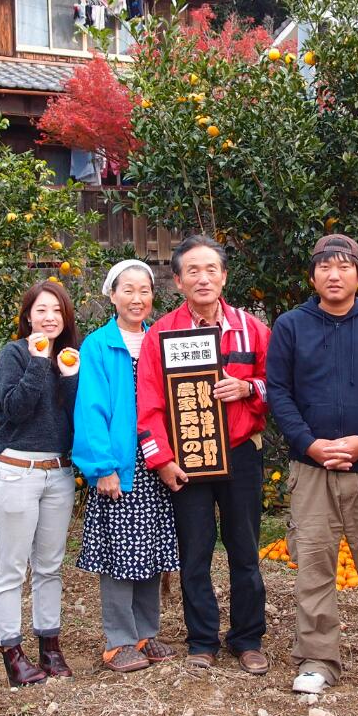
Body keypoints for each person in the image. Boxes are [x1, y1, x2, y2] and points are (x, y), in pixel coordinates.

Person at [266, 233, 358, 694]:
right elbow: (279, 392)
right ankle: (316, 660)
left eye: (344, 266)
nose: (335, 275)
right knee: (314, 567)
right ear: (312, 276)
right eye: (325, 267)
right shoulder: (291, 325)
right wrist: (309, 444)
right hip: (310, 470)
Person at [136, 235, 272, 674]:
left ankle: (248, 638)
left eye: (211, 269)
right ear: (177, 281)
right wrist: (161, 460)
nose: (202, 278)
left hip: (240, 454)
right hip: (187, 460)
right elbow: (150, 405)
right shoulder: (162, 333)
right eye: (192, 270)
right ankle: (202, 640)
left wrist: (249, 388)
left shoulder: (252, 330)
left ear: (224, 276)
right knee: (194, 553)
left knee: (245, 550)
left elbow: (281, 389)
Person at [73, 259, 180, 673]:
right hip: (120, 462)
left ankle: (145, 633)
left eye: (145, 290)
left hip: (156, 460)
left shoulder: (159, 339)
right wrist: (102, 468)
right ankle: (118, 640)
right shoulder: (99, 345)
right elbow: (91, 409)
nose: (137, 298)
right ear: (112, 295)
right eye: (128, 290)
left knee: (149, 550)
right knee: (120, 553)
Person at [0, 280, 81, 687]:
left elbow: (75, 418)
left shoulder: (68, 357)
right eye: (42, 310)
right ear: (28, 316)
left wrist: (68, 377)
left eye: (57, 311)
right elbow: (13, 408)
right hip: (16, 469)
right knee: (10, 568)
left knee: (49, 567)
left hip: (58, 473)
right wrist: (39, 363)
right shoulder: (13, 354)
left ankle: (50, 647)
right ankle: (12, 652)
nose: (49, 318)